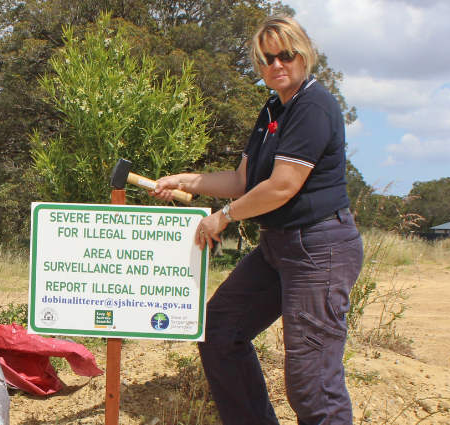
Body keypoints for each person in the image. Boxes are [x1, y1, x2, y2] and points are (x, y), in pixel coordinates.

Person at [150, 15, 364, 425]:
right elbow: (242, 180)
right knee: (219, 332)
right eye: (267, 59)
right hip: (278, 246)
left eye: (286, 54)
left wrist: (224, 218)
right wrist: (184, 180)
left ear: (304, 55)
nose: (277, 65)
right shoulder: (273, 109)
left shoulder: (313, 105)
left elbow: (282, 186)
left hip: (320, 248)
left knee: (311, 383)